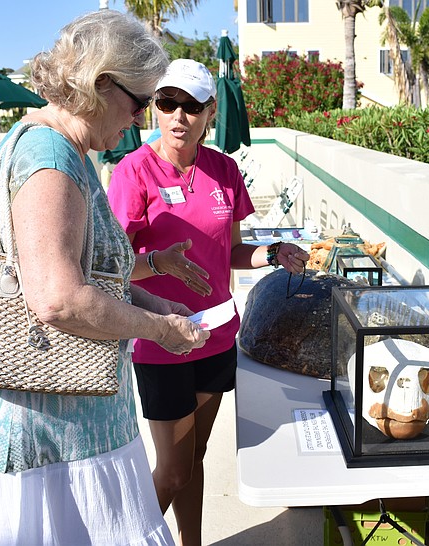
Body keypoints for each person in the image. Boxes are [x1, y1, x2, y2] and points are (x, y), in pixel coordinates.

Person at [0, 12, 210, 545]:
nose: (141, 122)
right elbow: (59, 298)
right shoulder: (50, 159)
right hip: (51, 434)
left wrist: (154, 303)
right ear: (101, 85)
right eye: (141, 103)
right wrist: (158, 330)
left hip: (56, 418)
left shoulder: (62, 150)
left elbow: (88, 272)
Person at [107, 59, 310, 545]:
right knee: (173, 471)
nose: (180, 116)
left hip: (217, 336)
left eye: (192, 106)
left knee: (194, 457)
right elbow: (109, 267)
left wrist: (273, 254)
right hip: (162, 340)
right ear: (155, 107)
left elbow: (232, 250)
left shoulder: (223, 169)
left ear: (210, 112)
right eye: (168, 103)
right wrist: (159, 264)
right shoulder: (133, 173)